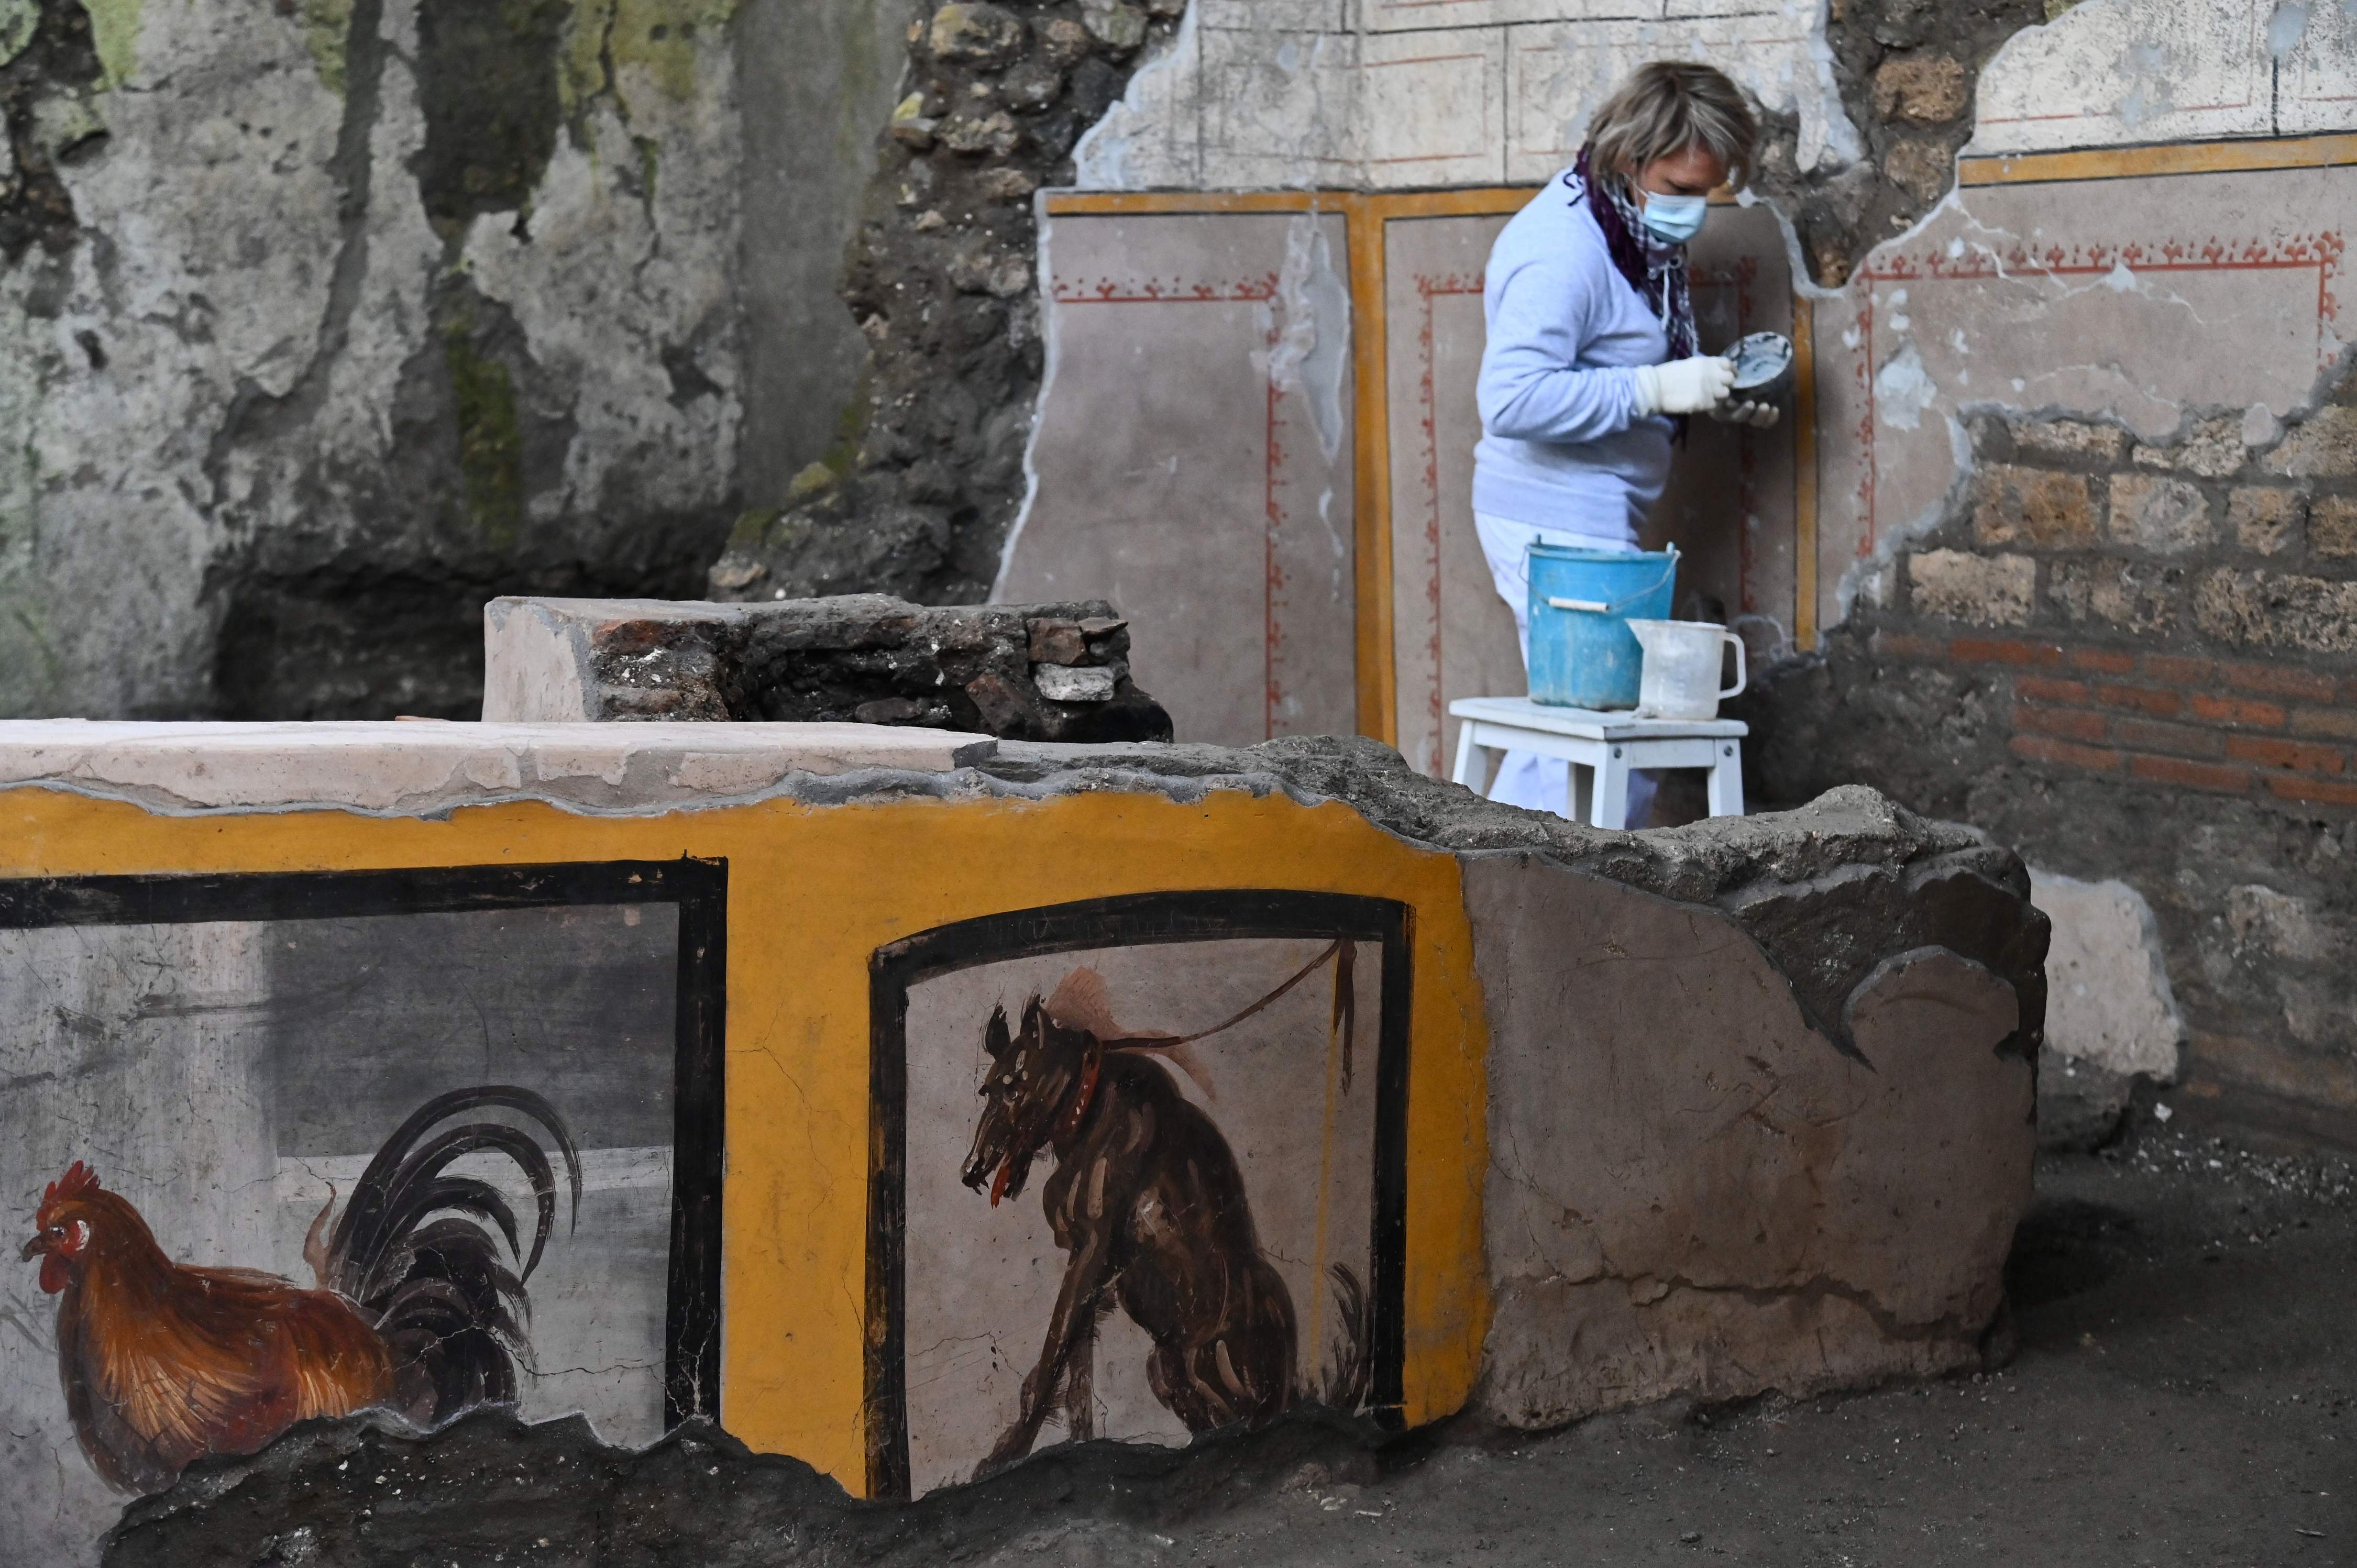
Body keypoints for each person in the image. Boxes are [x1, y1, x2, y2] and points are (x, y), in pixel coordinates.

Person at [1472, 61, 1774, 823]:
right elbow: (1510, 399)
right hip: (1553, 520)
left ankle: (1508, 903)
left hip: (1596, 516)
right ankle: (1540, 909)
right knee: (1605, 748)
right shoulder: (1563, 249)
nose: (1695, 213)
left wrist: (1712, 398)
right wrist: (1655, 390)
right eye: (1680, 190)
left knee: (1587, 743)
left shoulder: (1631, 227)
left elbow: (1618, 356)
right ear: (1628, 159)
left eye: (1708, 192)